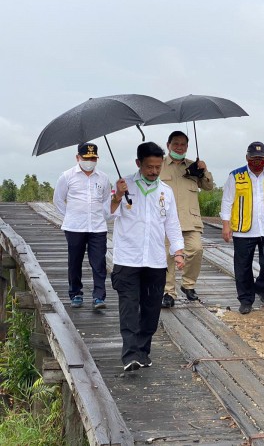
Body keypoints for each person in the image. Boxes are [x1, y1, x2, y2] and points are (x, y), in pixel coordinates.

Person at [110, 142, 185, 372]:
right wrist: (117, 196)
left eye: (157, 167)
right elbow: (106, 213)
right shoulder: (124, 186)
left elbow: (172, 223)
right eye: (149, 167)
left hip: (154, 260)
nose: (153, 171)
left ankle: (143, 352)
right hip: (127, 260)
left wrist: (178, 251)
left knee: (151, 309)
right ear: (138, 164)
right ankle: (130, 355)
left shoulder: (165, 191)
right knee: (129, 308)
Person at [220, 141, 264, 314]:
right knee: (243, 266)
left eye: (261, 159)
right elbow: (227, 201)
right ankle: (246, 299)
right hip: (243, 229)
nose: (258, 162)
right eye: (254, 159)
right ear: (247, 158)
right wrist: (226, 225)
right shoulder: (235, 176)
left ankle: (262, 288)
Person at [159, 131, 214, 308]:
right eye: (175, 144)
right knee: (168, 256)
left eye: (183, 144)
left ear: (187, 147)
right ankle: (168, 292)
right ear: (168, 145)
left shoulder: (193, 166)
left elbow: (208, 187)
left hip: (190, 220)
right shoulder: (159, 165)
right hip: (166, 220)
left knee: (196, 250)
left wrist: (204, 170)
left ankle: (188, 285)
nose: (179, 147)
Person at [53, 142, 111, 310]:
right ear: (77, 157)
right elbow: (58, 200)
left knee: (99, 262)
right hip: (74, 227)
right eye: (86, 158)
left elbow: (107, 199)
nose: (90, 161)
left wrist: (104, 216)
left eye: (93, 158)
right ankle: (76, 293)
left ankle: (99, 297)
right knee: (75, 261)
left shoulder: (103, 178)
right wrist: (70, 216)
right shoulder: (67, 176)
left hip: (97, 227)